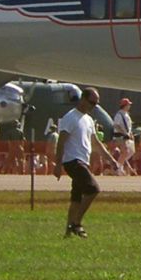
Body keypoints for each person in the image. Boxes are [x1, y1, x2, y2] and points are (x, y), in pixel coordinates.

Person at [53, 86, 102, 238]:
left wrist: (111, 159)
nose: (93, 106)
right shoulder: (70, 117)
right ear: (82, 99)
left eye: (95, 104)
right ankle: (76, 223)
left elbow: (95, 142)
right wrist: (58, 164)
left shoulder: (88, 120)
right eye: (91, 102)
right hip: (72, 161)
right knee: (93, 189)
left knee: (76, 197)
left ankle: (68, 231)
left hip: (82, 160)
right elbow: (61, 142)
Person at [110, 97, 135, 174]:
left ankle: (119, 165)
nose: (129, 106)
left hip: (126, 135)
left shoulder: (126, 114)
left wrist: (130, 134)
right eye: (128, 105)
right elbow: (116, 125)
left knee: (130, 151)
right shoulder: (119, 114)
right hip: (120, 136)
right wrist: (124, 133)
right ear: (125, 105)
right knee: (125, 151)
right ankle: (118, 167)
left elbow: (129, 126)